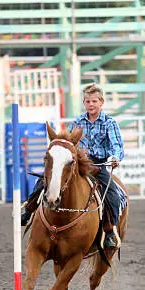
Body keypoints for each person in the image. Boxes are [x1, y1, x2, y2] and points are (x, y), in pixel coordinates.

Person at [21, 83, 125, 249]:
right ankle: (28, 211)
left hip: (98, 165)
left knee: (111, 192)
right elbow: (68, 143)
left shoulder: (109, 123)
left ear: (101, 102)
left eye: (94, 101)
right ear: (84, 103)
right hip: (77, 163)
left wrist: (114, 157)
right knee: (45, 180)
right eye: (87, 101)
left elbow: (116, 145)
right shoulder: (78, 122)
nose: (91, 104)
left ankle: (109, 230)